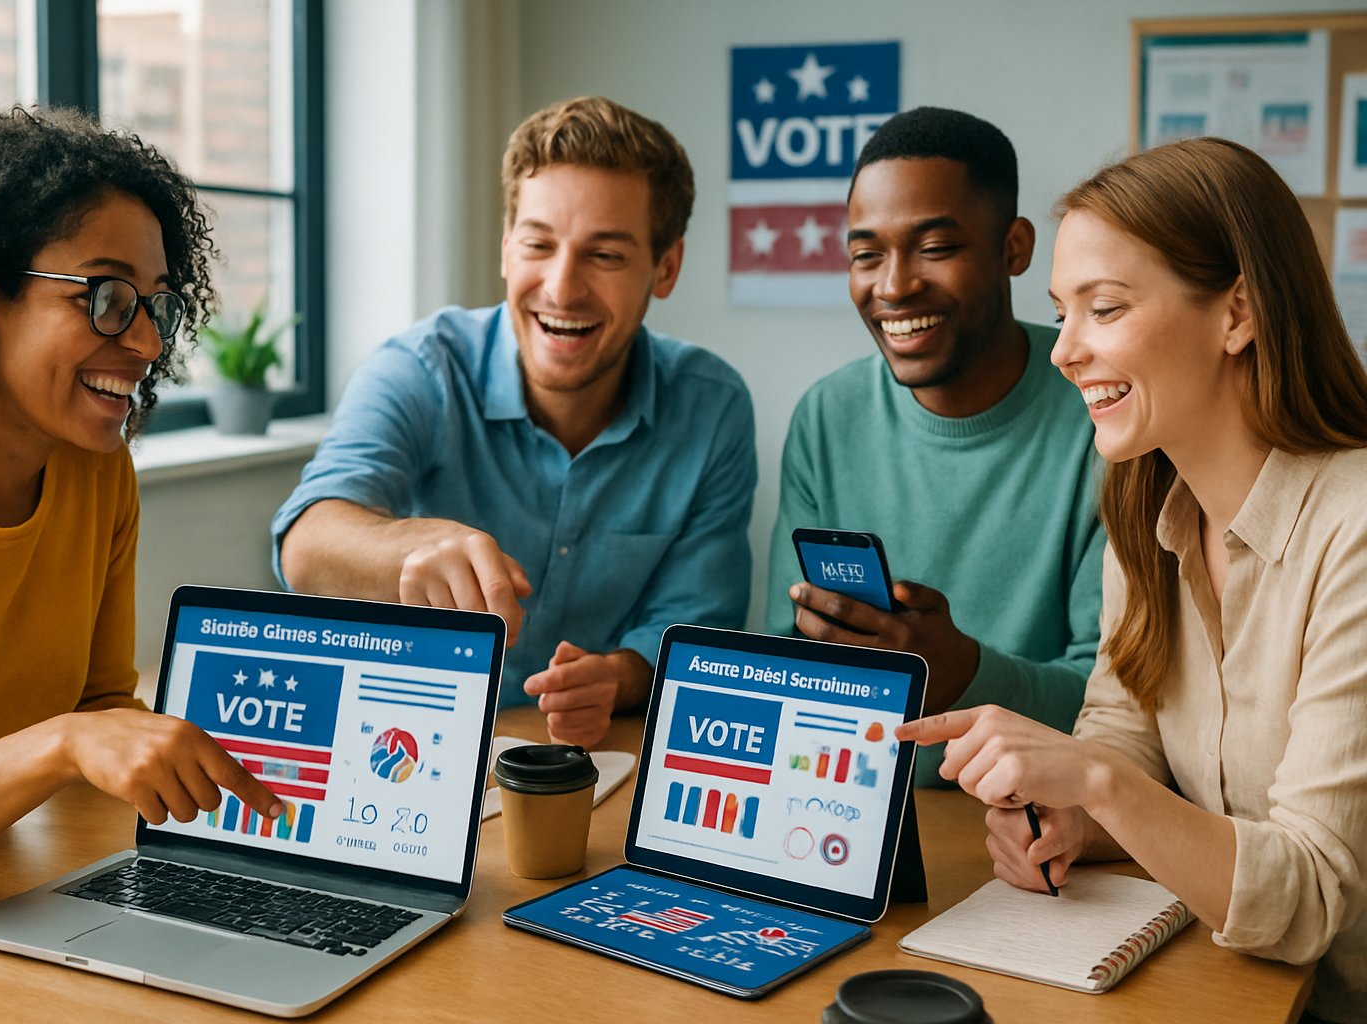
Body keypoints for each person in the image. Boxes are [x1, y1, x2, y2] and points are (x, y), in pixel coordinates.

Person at [897, 137, 1367, 1024]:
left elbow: (1308, 897)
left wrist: (1096, 784)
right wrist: (1071, 816)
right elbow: (1124, 736)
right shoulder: (1150, 506)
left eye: (1104, 309)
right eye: (1061, 313)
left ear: (1237, 314)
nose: (1064, 352)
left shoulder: (1355, 530)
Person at [0, 108, 282, 900]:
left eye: (157, 306)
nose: (145, 343)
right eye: (108, 298)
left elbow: (102, 707)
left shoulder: (97, 476)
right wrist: (65, 742)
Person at [273, 96, 755, 748]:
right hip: (402, 745)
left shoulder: (712, 404)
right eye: (538, 244)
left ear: (665, 267)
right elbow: (305, 545)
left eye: (605, 255)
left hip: (588, 763)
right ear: (506, 249)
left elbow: (693, 628)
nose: (561, 288)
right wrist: (416, 545)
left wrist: (615, 678)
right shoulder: (420, 368)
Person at [765, 107, 1104, 785]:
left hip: (1041, 822)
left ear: (1014, 248)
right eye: (866, 254)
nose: (892, 286)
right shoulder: (828, 416)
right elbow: (782, 655)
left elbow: (1122, 707)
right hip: (847, 809)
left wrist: (966, 676)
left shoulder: (1100, 409)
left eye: (935, 247)